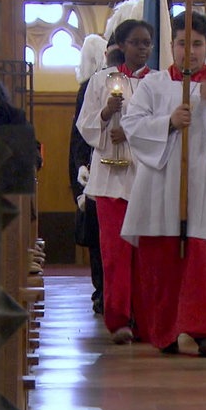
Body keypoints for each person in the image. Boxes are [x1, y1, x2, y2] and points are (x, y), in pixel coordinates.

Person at [120, 11, 206, 357]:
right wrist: (167, 122)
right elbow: (133, 125)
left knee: (205, 261)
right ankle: (164, 330)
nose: (190, 52)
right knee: (163, 262)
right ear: (172, 46)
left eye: (197, 44)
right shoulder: (154, 84)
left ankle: (205, 330)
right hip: (163, 187)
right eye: (182, 43)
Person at [76, 19, 155, 344]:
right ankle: (119, 318)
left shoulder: (158, 83)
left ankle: (146, 317)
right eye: (136, 42)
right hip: (109, 179)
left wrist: (134, 131)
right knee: (115, 253)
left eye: (147, 43)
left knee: (145, 252)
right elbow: (85, 126)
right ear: (122, 45)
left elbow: (166, 125)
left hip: (145, 177)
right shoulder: (101, 80)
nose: (143, 48)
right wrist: (107, 113)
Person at [69, 34, 108, 315]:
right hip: (95, 164)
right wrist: (83, 165)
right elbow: (81, 131)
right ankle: (101, 291)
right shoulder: (89, 88)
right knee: (97, 235)